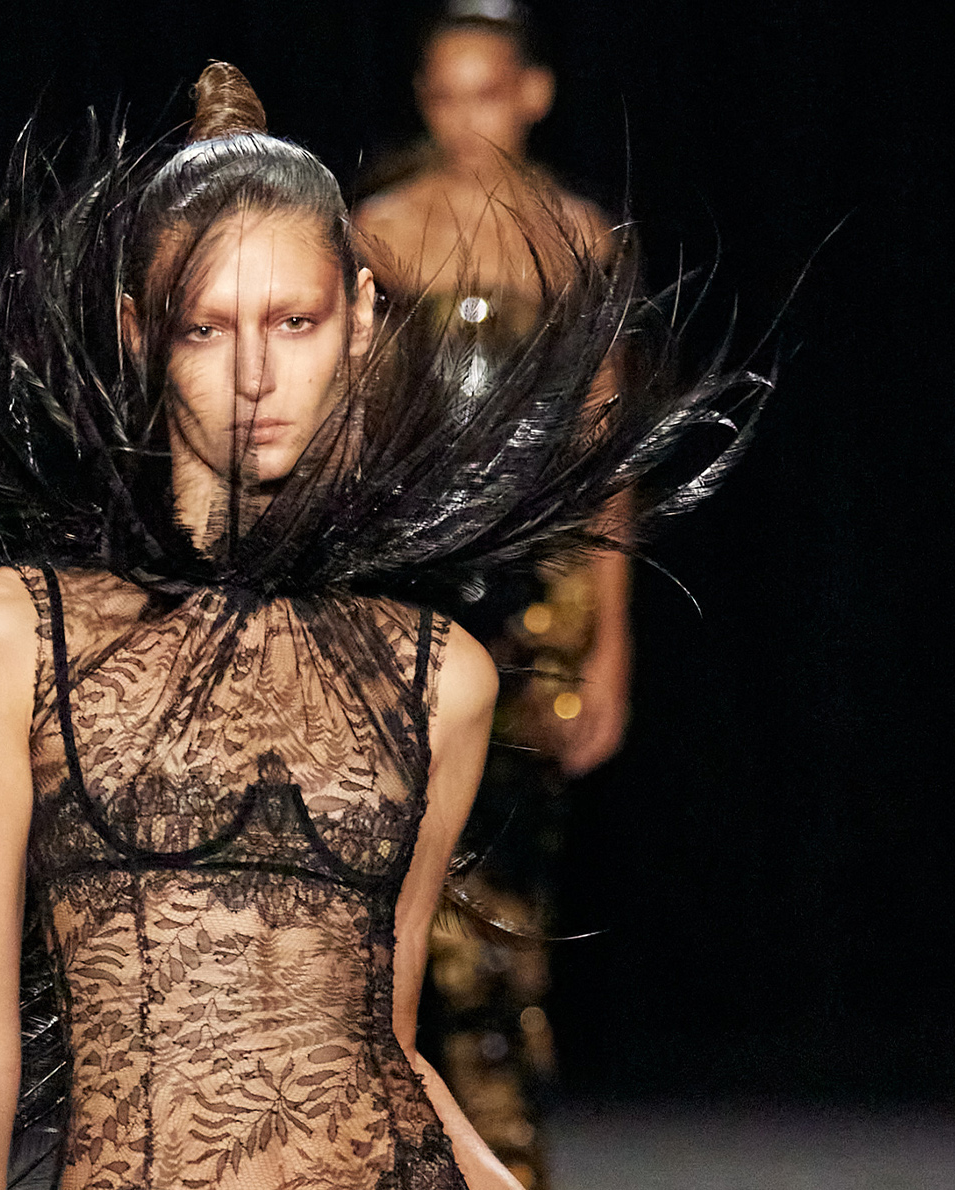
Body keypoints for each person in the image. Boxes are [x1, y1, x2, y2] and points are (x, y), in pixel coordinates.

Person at [0, 60, 761, 1190]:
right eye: (205, 327)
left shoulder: (437, 678)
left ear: (361, 319)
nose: (256, 372)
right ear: (137, 332)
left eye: (293, 321)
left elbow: (389, 1043)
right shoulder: (18, 637)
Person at [354, 6, 631, 1184]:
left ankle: (504, 1149)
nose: (466, 119)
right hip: (414, 582)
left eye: (488, 91)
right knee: (397, 871)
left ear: (533, 93)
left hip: (543, 597)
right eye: (444, 94)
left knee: (507, 890)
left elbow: (607, 448)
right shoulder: (379, 230)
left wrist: (612, 647)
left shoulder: (580, 239)